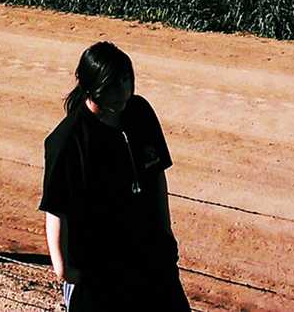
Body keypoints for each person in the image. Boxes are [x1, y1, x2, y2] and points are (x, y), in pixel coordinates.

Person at [39, 41, 190, 312]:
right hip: (100, 270)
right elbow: (56, 208)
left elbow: (156, 176)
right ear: (90, 87)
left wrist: (165, 233)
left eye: (126, 80)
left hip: (150, 254)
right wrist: (64, 270)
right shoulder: (67, 141)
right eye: (111, 85)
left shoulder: (139, 112)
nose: (122, 92)